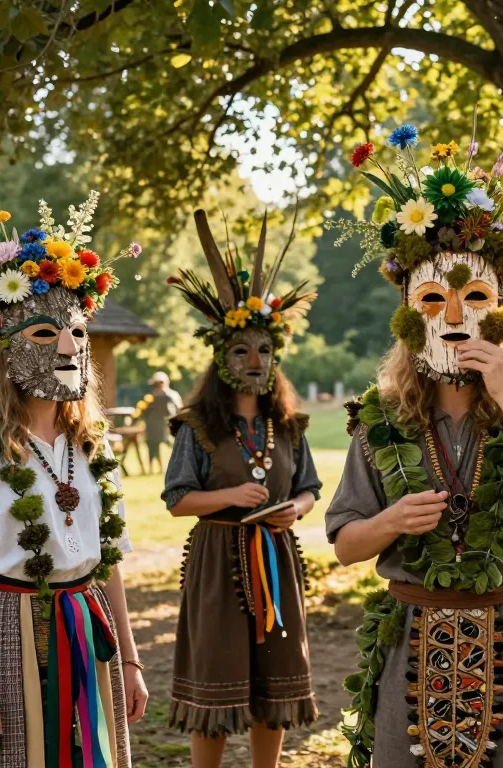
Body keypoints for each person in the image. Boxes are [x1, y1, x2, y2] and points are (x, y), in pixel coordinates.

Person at [325, 123, 503, 768]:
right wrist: (389, 522)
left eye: (473, 298)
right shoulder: (381, 421)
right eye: (433, 300)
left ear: (501, 311)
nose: (452, 318)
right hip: (411, 639)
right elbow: (343, 546)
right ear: (409, 317)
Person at [0, 196, 148, 766]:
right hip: (2, 632)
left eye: (77, 331)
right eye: (48, 333)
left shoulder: (90, 444)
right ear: (10, 345)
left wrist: (131, 659)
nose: (69, 347)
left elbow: (108, 560)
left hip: (86, 626)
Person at [163, 209, 321, 768]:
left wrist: (292, 511)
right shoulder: (196, 426)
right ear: (221, 357)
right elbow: (178, 499)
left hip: (276, 561)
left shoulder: (290, 427)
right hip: (216, 564)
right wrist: (232, 498)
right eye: (241, 351)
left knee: (272, 680)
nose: (256, 362)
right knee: (218, 681)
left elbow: (308, 490)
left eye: (265, 352)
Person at [144, 371, 182, 474]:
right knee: (152, 447)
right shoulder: (151, 397)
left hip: (168, 426)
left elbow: (177, 410)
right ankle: (153, 468)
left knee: (176, 446)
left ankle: (179, 466)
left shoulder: (170, 395)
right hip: (153, 426)